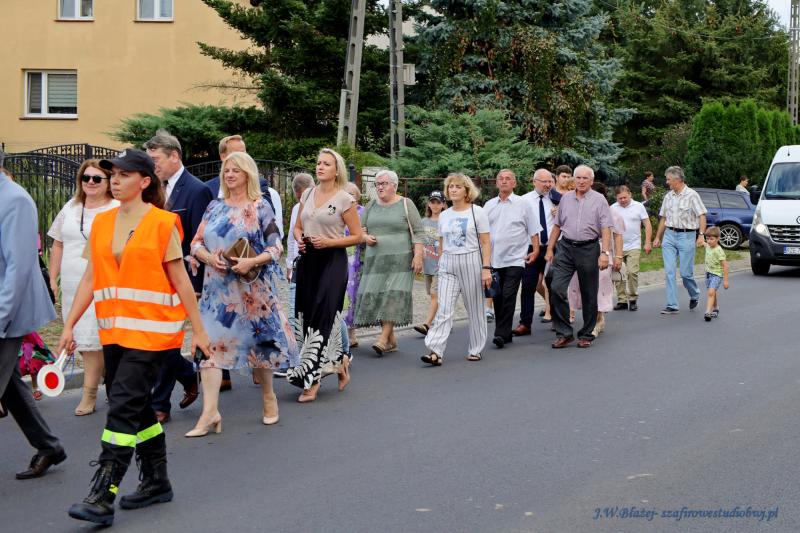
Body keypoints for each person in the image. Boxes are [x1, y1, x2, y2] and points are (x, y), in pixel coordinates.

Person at [58, 149, 211, 526]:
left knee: (123, 405)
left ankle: (103, 492)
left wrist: (199, 330)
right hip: (114, 332)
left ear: (144, 181)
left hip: (152, 334)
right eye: (112, 174)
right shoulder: (103, 222)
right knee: (135, 403)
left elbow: (181, 281)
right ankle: (157, 481)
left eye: (123, 174)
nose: (114, 180)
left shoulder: (162, 223)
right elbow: (91, 278)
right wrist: (69, 325)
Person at [187, 151, 298, 436]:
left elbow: (276, 247)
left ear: (248, 174)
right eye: (226, 170)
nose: (229, 175)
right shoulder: (214, 206)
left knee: (259, 346)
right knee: (209, 348)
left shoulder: (260, 206)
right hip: (216, 293)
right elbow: (195, 243)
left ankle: (268, 397)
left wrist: (252, 261)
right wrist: (208, 257)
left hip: (251, 291)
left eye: (235, 170)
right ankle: (210, 413)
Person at [0, 168, 66, 480]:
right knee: (10, 385)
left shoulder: (15, 200)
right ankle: (49, 446)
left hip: (7, 311)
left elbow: (19, 267)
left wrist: (1, 315)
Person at [144, 129, 212, 421]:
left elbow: (199, 240)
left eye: (156, 160)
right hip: (154, 279)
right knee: (159, 340)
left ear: (174, 156)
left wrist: (196, 284)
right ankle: (186, 373)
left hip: (184, 277)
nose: (152, 166)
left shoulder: (197, 190)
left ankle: (160, 403)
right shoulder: (149, 189)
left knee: (167, 339)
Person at [289, 148, 362, 402]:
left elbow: (357, 236)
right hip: (308, 260)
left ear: (336, 170)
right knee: (307, 316)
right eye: (319, 163)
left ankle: (312, 380)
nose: (320, 167)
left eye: (326, 164)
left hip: (332, 261)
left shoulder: (345, 199)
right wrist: (300, 239)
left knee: (322, 316)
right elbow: (298, 227)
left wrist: (329, 242)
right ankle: (341, 364)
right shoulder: (308, 193)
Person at [47, 159, 119, 415]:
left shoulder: (115, 208)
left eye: (97, 178)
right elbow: (58, 243)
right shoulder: (71, 206)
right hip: (72, 284)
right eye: (85, 177)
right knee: (80, 336)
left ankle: (89, 394)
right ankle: (110, 384)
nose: (90, 182)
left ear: (108, 182)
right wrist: (53, 278)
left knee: (94, 340)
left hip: (102, 282)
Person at [421, 173, 492, 366]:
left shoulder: (477, 212)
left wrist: (486, 268)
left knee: (475, 309)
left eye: (458, 186)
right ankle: (435, 350)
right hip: (448, 264)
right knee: (444, 308)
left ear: (467, 191)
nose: (453, 189)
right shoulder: (444, 215)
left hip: (471, 261)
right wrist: (441, 263)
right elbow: (441, 242)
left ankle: (475, 348)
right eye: (450, 186)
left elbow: (486, 242)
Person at [354, 169, 424, 355]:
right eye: (377, 184)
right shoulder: (371, 206)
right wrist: (365, 237)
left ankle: (382, 339)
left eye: (384, 183)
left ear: (394, 185)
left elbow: (418, 232)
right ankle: (392, 341)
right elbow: (360, 230)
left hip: (401, 262)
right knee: (378, 297)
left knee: (393, 296)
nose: (380, 187)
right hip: (375, 262)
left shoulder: (406, 204)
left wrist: (418, 256)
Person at [545, 165, 614, 349]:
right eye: (578, 178)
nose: (581, 181)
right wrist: (550, 249)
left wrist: (605, 253)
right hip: (566, 247)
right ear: (573, 180)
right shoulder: (566, 199)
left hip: (589, 248)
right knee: (557, 288)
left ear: (591, 181)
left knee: (589, 293)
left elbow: (606, 228)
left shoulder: (599, 200)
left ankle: (586, 334)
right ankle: (564, 333)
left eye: (585, 178)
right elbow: (557, 225)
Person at [484, 169, 541, 348]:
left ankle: (500, 334)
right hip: (494, 259)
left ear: (514, 183)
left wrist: (536, 250)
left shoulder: (523, 204)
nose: (504, 181)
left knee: (509, 294)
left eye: (508, 179)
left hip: (516, 258)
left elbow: (534, 230)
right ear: (496, 183)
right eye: (501, 178)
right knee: (498, 296)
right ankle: (506, 333)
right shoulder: (489, 205)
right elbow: (482, 233)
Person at [567, 182, 624, 337]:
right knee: (583, 288)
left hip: (603, 254)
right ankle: (589, 320)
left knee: (600, 289)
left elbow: (618, 235)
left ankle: (598, 320)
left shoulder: (612, 213)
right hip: (582, 253)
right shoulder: (581, 210)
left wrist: (618, 257)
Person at [205, 134, 284, 238]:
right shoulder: (208, 189)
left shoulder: (260, 186)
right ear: (223, 157)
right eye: (238, 153)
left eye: (244, 152)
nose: (244, 157)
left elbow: (269, 222)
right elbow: (200, 234)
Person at [652, 166, 707, 314]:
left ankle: (694, 294)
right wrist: (657, 237)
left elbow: (702, 215)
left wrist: (701, 235)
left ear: (677, 179)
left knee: (685, 273)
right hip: (669, 235)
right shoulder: (668, 196)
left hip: (686, 236)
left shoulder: (692, 195)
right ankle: (672, 305)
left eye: (668, 179)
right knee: (669, 272)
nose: (666, 182)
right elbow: (663, 218)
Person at [514, 169, 556, 335]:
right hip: (531, 248)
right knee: (528, 285)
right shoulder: (523, 201)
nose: (548, 185)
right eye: (544, 182)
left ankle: (557, 320)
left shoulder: (557, 199)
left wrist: (559, 213)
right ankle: (525, 323)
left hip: (552, 247)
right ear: (534, 182)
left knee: (554, 285)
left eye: (550, 181)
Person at [284, 172, 315, 373]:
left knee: (323, 310)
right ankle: (294, 359)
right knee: (294, 311)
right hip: (299, 264)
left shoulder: (321, 205)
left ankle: (344, 350)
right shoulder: (297, 208)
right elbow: (292, 236)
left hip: (315, 262)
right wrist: (289, 264)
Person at [610, 185, 652, 311]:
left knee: (632, 272)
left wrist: (647, 242)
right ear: (616, 198)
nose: (623, 200)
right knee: (619, 273)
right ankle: (622, 300)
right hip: (617, 247)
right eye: (620, 198)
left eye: (625, 197)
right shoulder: (612, 208)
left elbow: (647, 224)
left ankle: (633, 298)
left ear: (630, 195)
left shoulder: (638, 206)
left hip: (634, 245)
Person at [414, 190, 446, 336]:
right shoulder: (423, 222)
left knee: (435, 294)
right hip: (428, 264)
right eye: (432, 202)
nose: (435, 205)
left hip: (441, 265)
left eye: (438, 202)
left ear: (443, 205)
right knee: (433, 295)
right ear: (428, 204)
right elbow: (418, 241)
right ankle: (444, 320)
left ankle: (427, 324)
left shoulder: (445, 221)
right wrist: (417, 259)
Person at [702, 226, 729, 321]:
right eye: (707, 238)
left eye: (711, 239)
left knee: (710, 292)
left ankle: (708, 312)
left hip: (716, 275)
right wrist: (700, 241)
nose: (709, 241)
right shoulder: (708, 246)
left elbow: (725, 266)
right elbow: (704, 243)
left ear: (718, 238)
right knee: (712, 293)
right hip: (708, 274)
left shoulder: (719, 251)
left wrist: (726, 281)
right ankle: (716, 308)